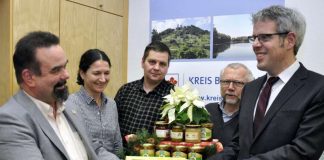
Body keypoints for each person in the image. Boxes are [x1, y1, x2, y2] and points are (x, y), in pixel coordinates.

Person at [210, 5, 324, 160]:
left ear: (290, 40)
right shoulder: (250, 89)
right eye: (254, 38)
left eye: (264, 37)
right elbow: (239, 145)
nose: (255, 44)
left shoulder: (317, 88)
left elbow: (304, 151)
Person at [0, 31, 97, 160]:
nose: (66, 75)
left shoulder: (70, 106)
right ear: (29, 77)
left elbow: (95, 149)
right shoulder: (10, 121)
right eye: (56, 70)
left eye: (65, 66)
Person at [65, 49, 122, 160]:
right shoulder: (70, 105)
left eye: (106, 73)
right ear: (82, 73)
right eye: (96, 73)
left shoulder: (111, 104)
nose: (103, 79)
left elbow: (117, 143)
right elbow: (84, 145)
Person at [114, 41, 173, 139]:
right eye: (152, 62)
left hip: (156, 154)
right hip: (119, 153)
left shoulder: (174, 97)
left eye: (162, 64)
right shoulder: (125, 91)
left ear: (167, 67)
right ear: (142, 62)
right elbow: (111, 126)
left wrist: (142, 141)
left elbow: (178, 137)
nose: (156, 67)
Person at [206, 63, 253, 147]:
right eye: (226, 82)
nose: (230, 87)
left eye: (238, 83)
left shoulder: (253, 117)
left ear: (250, 86)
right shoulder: (207, 110)